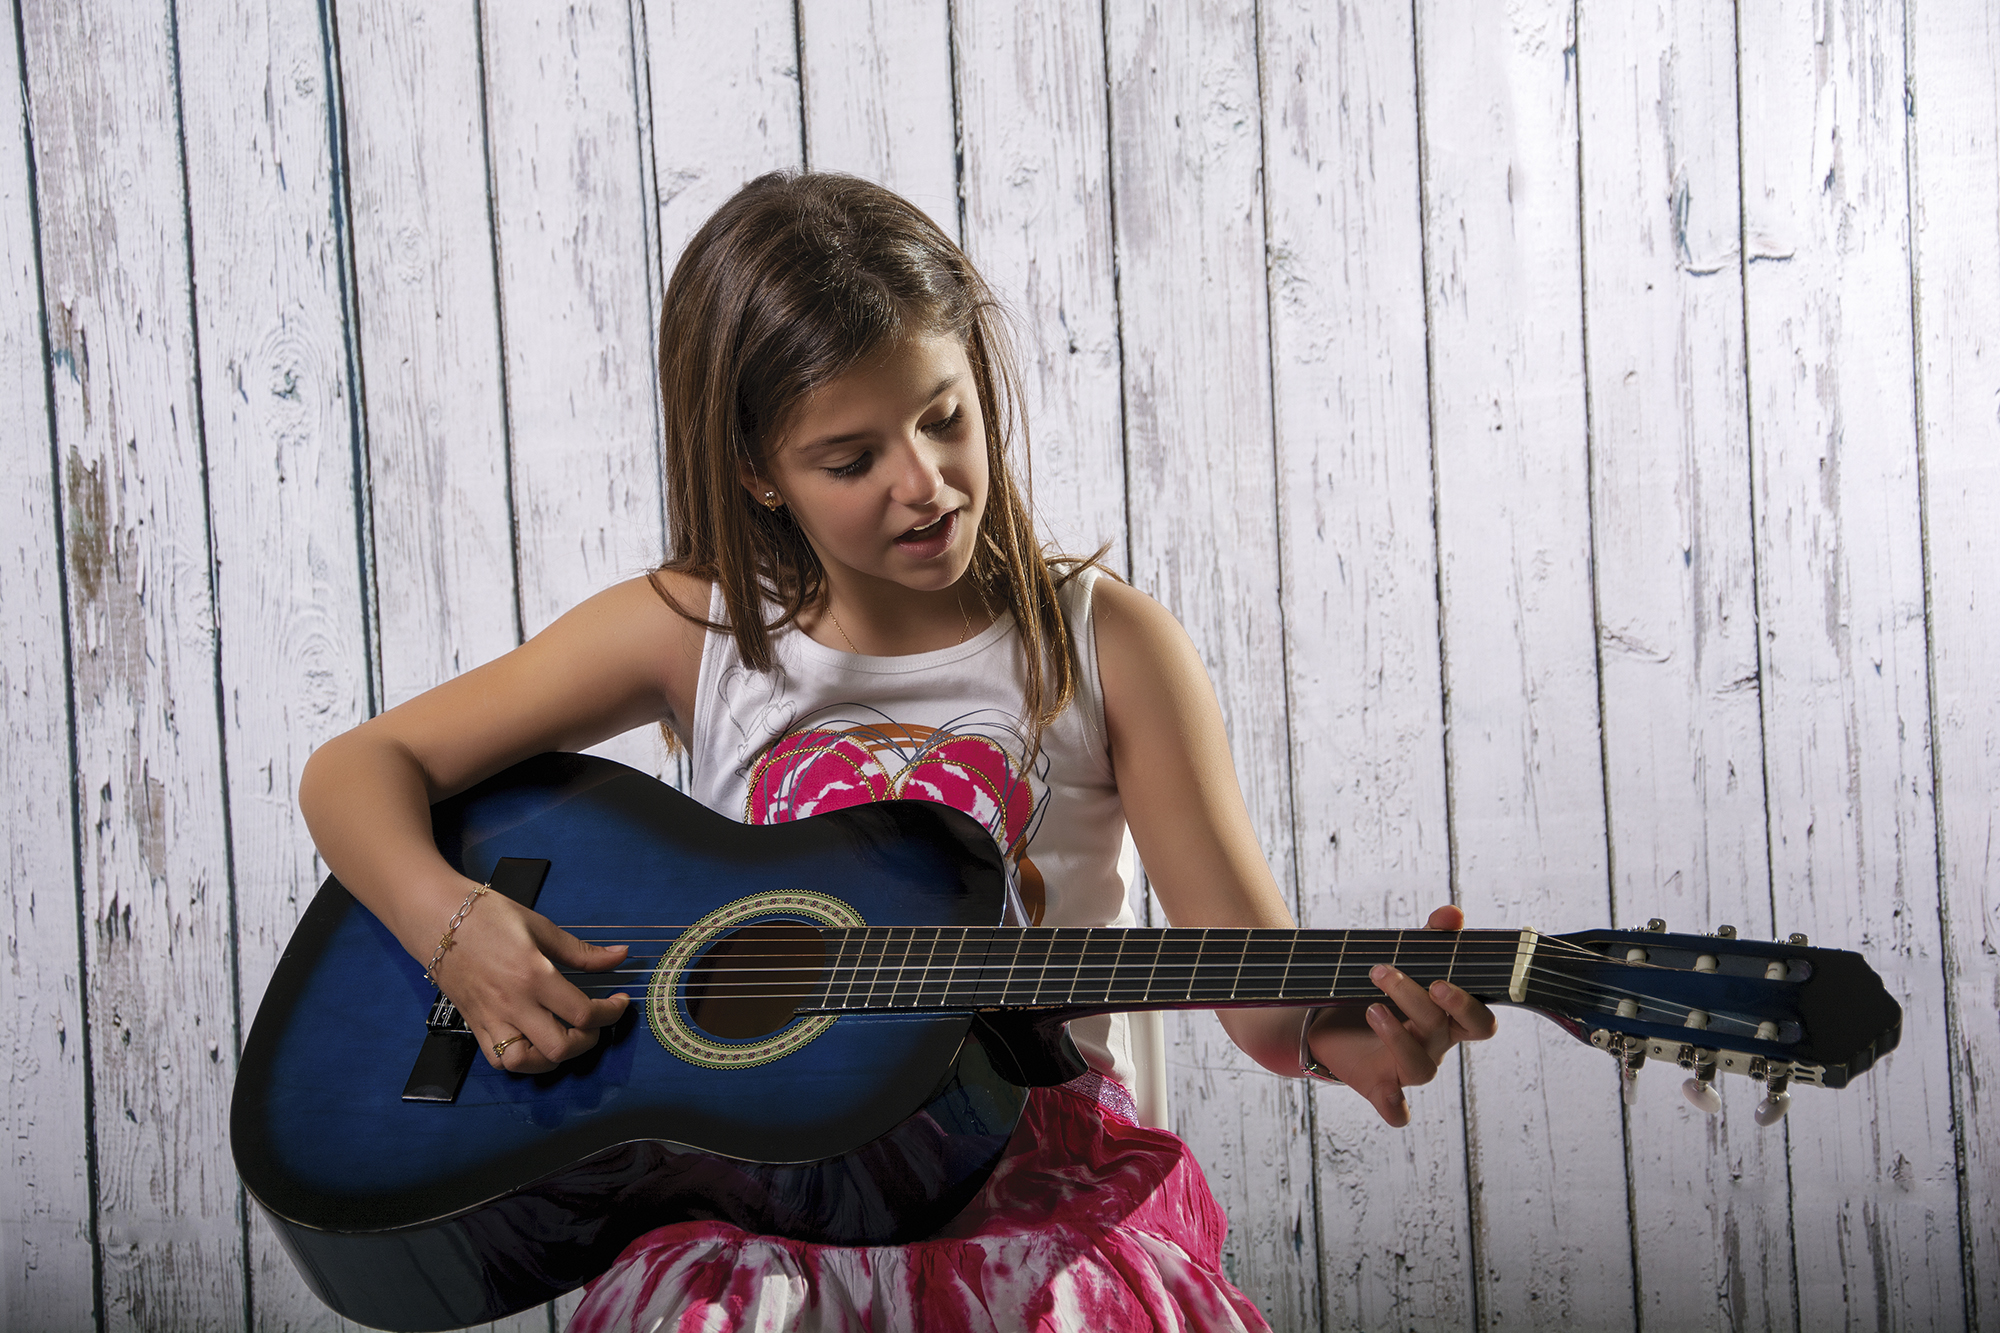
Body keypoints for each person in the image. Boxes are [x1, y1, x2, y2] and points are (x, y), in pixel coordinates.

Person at [298, 171, 1496, 1332]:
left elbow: (1259, 994)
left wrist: (1354, 1035)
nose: (922, 484)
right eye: (851, 458)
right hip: (750, 1207)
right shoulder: (694, 628)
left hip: (1036, 1196)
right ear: (760, 472)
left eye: (945, 418)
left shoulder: (1104, 643)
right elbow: (356, 769)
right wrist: (456, 930)